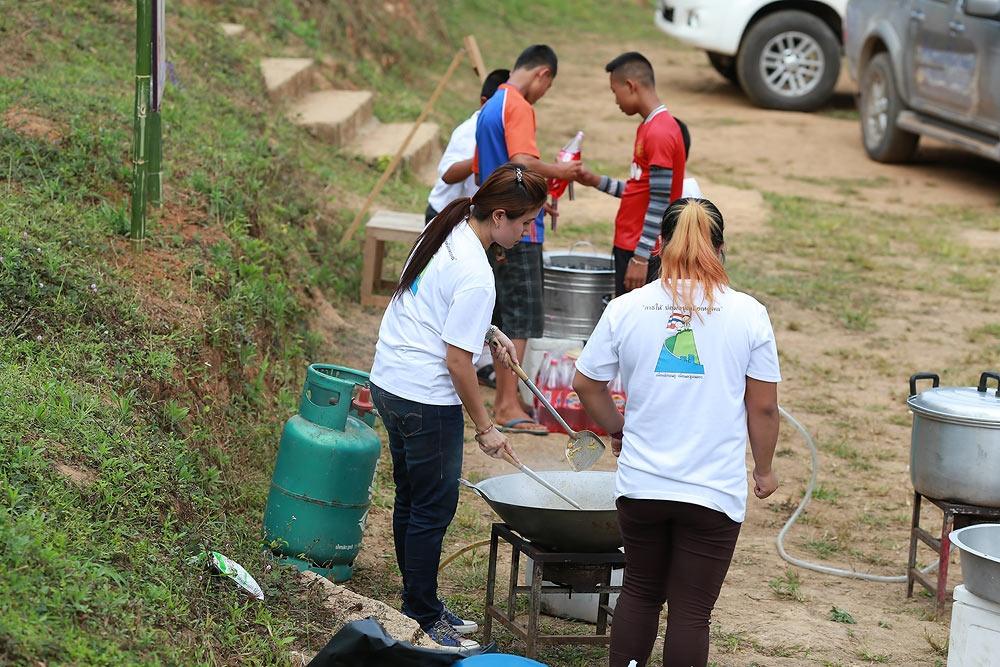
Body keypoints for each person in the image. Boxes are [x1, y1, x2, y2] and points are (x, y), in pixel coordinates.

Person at [571, 198, 781, 667]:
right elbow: (764, 407)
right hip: (712, 493)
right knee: (691, 612)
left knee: (641, 595)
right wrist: (764, 470)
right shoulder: (749, 314)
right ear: (721, 248)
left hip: (642, 487)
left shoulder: (626, 307)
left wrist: (617, 427)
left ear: (659, 245)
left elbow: (586, 383)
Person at [368, 164, 549, 654]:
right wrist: (486, 426)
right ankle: (422, 615)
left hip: (390, 381)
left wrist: (488, 331)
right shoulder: (477, 273)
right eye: (524, 222)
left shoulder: (447, 226)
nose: (526, 232)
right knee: (432, 507)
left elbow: (433, 307)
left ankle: (418, 599)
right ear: (498, 215)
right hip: (425, 397)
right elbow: (455, 361)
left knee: (411, 498)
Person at [473, 44, 582, 434]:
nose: (542, 94)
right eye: (546, 88)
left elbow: (484, 171)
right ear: (543, 75)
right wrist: (561, 173)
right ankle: (505, 404)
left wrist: (538, 199)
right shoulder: (517, 104)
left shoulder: (489, 108)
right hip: (519, 230)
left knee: (503, 313)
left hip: (497, 222)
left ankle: (508, 397)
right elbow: (521, 161)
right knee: (518, 317)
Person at [575, 52, 686, 297]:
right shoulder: (648, 127)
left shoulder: (659, 131)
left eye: (615, 92)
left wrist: (640, 257)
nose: (616, 101)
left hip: (643, 251)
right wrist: (594, 180)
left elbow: (659, 200)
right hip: (632, 244)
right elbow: (639, 189)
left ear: (630, 86)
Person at [425, 68, 511, 224]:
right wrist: (481, 158)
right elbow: (448, 174)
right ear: (484, 103)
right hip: (444, 217)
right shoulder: (470, 130)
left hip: (470, 218)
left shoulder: (504, 131)